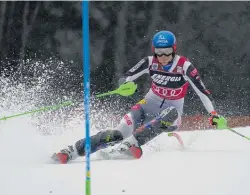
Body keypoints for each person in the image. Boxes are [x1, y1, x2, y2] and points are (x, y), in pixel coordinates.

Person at [52, 30, 227, 164]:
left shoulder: (185, 66)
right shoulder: (149, 62)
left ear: (174, 50)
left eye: (167, 52)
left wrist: (213, 115)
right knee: (116, 134)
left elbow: (202, 92)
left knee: (171, 113)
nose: (163, 57)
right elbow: (126, 77)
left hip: (170, 114)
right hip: (147, 105)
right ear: (154, 51)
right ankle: (72, 150)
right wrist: (125, 85)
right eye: (159, 52)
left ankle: (132, 143)